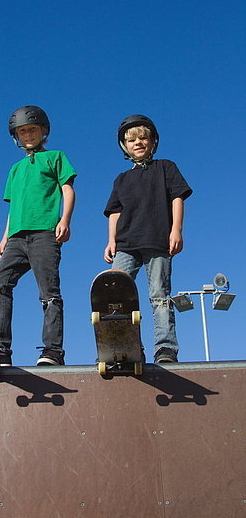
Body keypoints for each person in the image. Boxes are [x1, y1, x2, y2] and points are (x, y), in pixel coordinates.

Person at [0, 105, 77, 366]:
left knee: (48, 291)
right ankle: (0, 348)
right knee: (0, 283)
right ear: (16, 136)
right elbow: (13, 206)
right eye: (22, 131)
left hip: (44, 233)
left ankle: (52, 351)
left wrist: (65, 219)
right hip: (16, 237)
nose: (28, 134)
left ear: (43, 131)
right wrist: (4, 237)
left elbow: (68, 189)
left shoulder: (55, 157)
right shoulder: (15, 169)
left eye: (32, 129)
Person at [103, 114, 192, 363]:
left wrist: (177, 230)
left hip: (157, 240)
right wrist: (111, 240)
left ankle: (165, 348)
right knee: (115, 294)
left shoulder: (166, 167)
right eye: (131, 140)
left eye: (143, 137)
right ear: (124, 146)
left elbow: (177, 198)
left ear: (153, 142)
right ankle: (126, 345)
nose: (138, 142)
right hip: (126, 243)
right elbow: (115, 212)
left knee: (159, 295)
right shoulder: (121, 179)